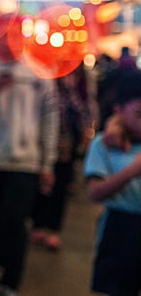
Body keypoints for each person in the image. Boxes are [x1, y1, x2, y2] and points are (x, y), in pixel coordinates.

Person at [0, 15, 59, 296]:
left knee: (14, 220)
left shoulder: (38, 73)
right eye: (5, 33)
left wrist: (47, 163)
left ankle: (11, 281)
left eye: (16, 33)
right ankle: (2, 265)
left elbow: (49, 120)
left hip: (24, 162)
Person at [84, 70, 141, 296]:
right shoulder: (102, 144)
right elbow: (95, 192)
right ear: (118, 110)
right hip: (119, 230)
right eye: (138, 113)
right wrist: (131, 172)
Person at [31, 66, 93, 251]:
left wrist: (85, 132)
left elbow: (81, 110)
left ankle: (52, 228)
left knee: (59, 186)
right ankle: (39, 224)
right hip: (41, 144)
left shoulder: (68, 88)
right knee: (42, 186)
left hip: (64, 145)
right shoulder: (40, 82)